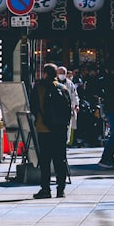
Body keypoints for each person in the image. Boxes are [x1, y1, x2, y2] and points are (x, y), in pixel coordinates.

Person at [32, 63, 69, 198]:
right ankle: (61, 189)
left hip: (44, 129)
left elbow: (33, 107)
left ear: (45, 73)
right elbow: (68, 109)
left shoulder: (39, 87)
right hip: (60, 130)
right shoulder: (63, 88)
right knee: (60, 160)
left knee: (45, 160)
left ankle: (46, 189)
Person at [55, 65, 80, 146]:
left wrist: (76, 105)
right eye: (60, 73)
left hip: (68, 108)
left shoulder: (69, 83)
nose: (61, 74)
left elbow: (74, 95)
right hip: (56, 109)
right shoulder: (54, 83)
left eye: (63, 73)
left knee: (69, 126)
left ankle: (67, 142)